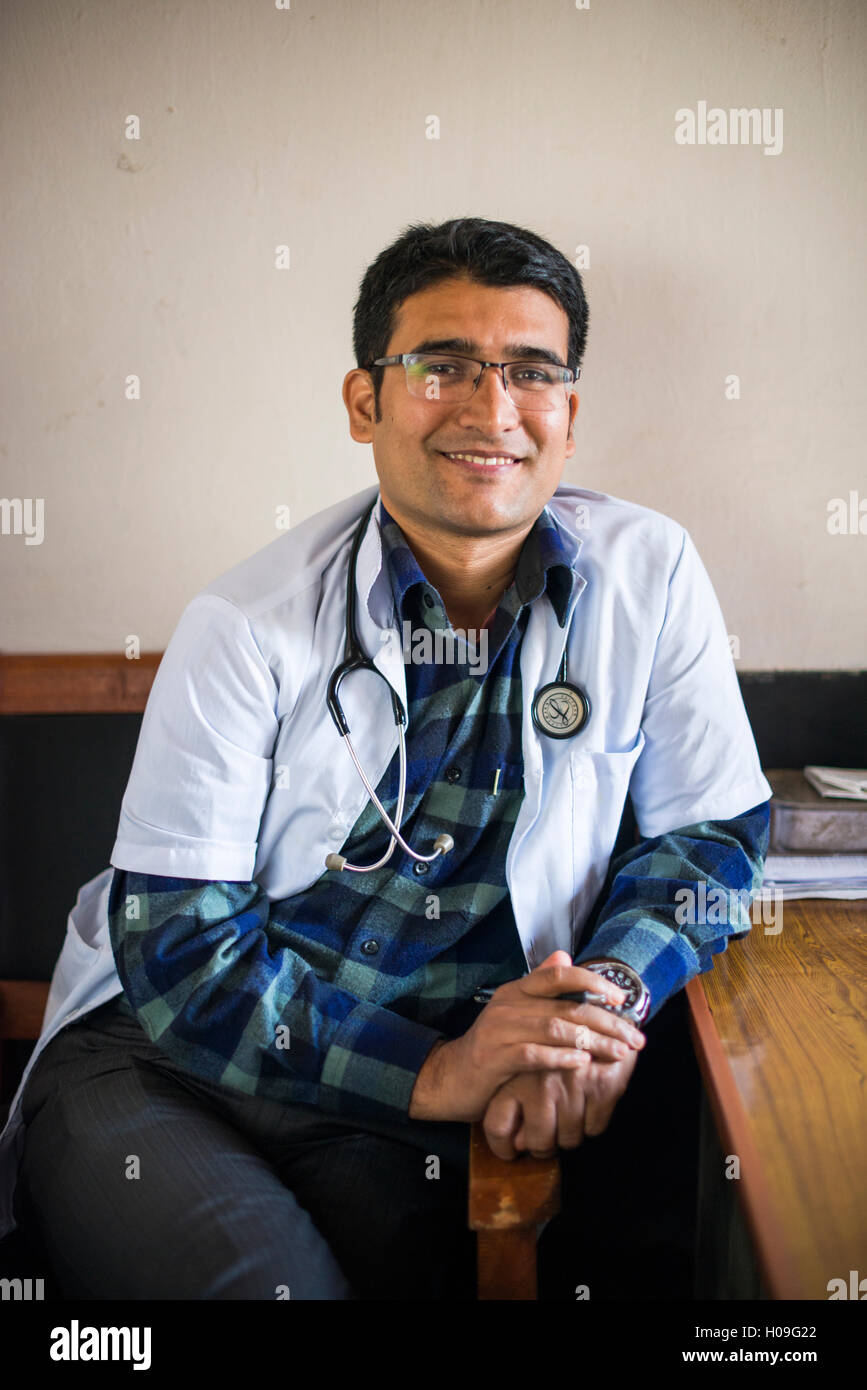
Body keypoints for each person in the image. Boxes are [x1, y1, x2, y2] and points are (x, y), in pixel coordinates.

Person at [0, 217, 771, 1300]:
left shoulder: (651, 573)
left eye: (531, 372)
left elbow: (715, 836)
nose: (491, 409)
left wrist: (599, 1004)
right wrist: (444, 1071)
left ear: (570, 413)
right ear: (366, 402)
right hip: (167, 1066)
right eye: (442, 365)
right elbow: (175, 949)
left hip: (400, 1098)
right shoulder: (245, 623)